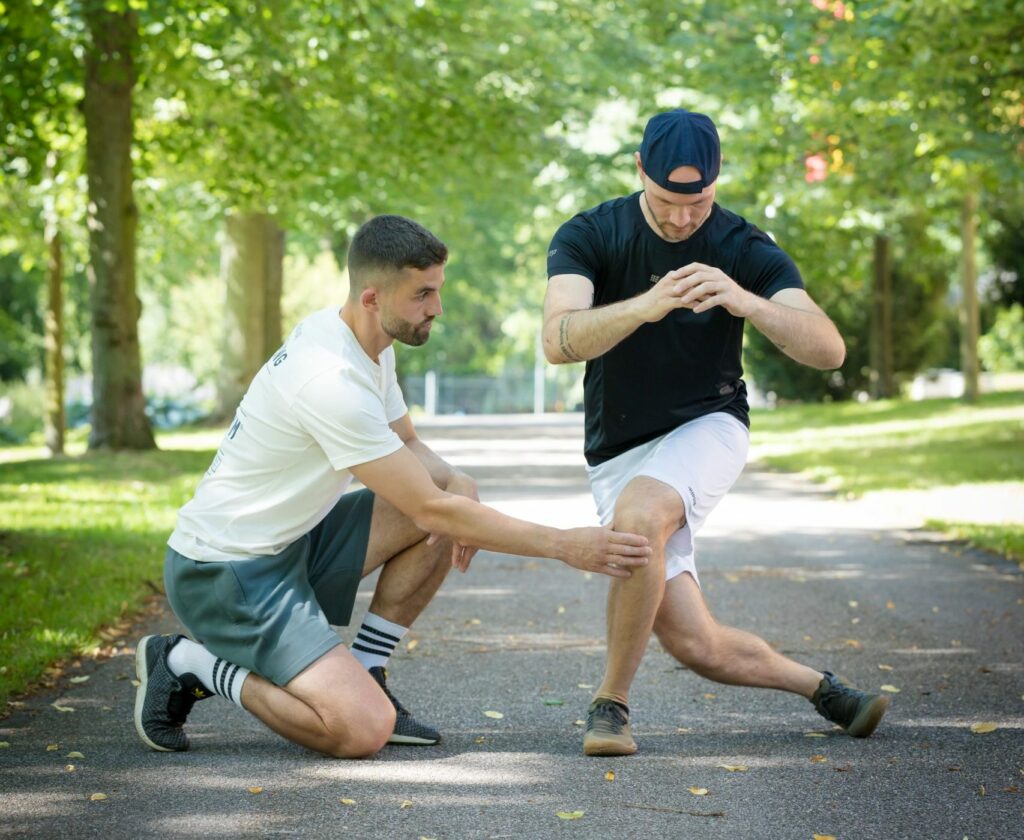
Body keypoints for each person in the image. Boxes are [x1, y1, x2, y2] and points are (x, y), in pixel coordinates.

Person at [134, 214, 651, 759]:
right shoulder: (328, 378)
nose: (437, 308)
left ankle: (364, 669)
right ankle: (190, 664)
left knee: (448, 504)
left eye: (438, 290)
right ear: (373, 296)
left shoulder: (366, 343)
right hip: (222, 573)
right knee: (360, 730)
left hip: (290, 542)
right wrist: (565, 545)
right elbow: (429, 508)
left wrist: (455, 479)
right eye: (423, 294)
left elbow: (408, 446)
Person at [542, 110, 890, 757]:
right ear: (640, 170)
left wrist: (747, 301)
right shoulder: (592, 233)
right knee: (694, 643)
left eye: (696, 203)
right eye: (668, 202)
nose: (681, 220)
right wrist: (645, 306)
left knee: (641, 517)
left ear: (717, 181)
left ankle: (609, 705)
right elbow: (557, 339)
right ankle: (826, 691)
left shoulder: (741, 244)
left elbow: (830, 350)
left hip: (711, 423)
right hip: (617, 448)